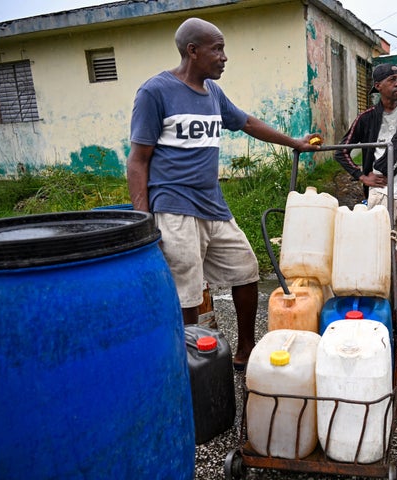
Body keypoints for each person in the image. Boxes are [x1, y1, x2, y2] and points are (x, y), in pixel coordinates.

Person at [127, 17, 320, 370]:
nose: (224, 57)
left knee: (245, 269)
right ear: (193, 51)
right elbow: (138, 161)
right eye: (217, 49)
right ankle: (187, 367)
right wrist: (144, 220)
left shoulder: (212, 92)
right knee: (186, 289)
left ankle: (245, 350)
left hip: (212, 204)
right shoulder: (155, 92)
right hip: (173, 207)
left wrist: (294, 142)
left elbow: (246, 122)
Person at [334, 63, 397, 318]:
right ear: (378, 86)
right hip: (380, 193)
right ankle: (379, 300)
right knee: (377, 246)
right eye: (392, 80)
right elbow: (340, 150)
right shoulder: (367, 118)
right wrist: (362, 176)